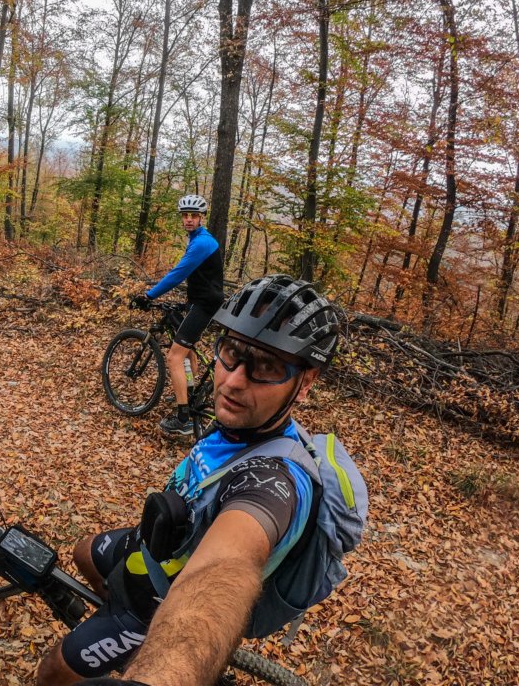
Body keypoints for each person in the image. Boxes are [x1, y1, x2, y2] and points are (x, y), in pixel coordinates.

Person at [38, 275, 356, 686]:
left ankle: (134, 632)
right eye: (232, 352)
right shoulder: (240, 425)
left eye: (267, 367)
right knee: (83, 552)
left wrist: (162, 671)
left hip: (157, 599)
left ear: (305, 383)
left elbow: (227, 566)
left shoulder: (272, 481)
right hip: (146, 550)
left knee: (53, 671)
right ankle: (119, 631)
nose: (234, 381)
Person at [130, 194, 224, 436]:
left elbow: (177, 274)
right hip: (200, 302)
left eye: (194, 216)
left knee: (174, 357)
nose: (189, 219)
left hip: (205, 305)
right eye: (185, 215)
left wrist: (148, 296)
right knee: (188, 351)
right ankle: (189, 393)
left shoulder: (202, 242)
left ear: (202, 217)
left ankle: (183, 419)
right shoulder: (197, 239)